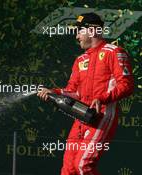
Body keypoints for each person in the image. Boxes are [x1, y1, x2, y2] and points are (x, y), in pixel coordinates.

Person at [37, 13, 134, 175]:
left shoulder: (114, 52)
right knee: (68, 169)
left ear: (93, 30)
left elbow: (127, 85)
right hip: (81, 118)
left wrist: (102, 98)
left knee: (83, 165)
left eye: (79, 31)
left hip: (102, 116)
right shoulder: (80, 60)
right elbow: (73, 92)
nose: (76, 36)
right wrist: (53, 92)